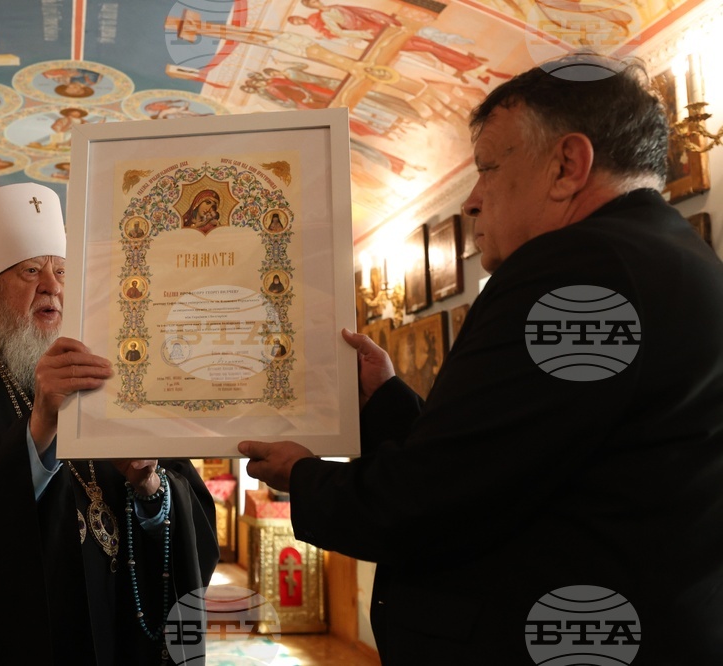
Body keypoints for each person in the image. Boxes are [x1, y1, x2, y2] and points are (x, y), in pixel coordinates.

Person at [239, 53, 723, 662]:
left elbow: (433, 503)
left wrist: (302, 475)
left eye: (487, 168)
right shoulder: (671, 257)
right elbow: (504, 463)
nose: (471, 201)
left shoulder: (575, 272)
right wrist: (388, 400)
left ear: (567, 166)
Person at [0, 183, 218, 665]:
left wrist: (149, 486)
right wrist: (38, 432)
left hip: (122, 633)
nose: (53, 286)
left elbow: (189, 507)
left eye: (60, 271)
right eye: (31, 271)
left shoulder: (114, 371)